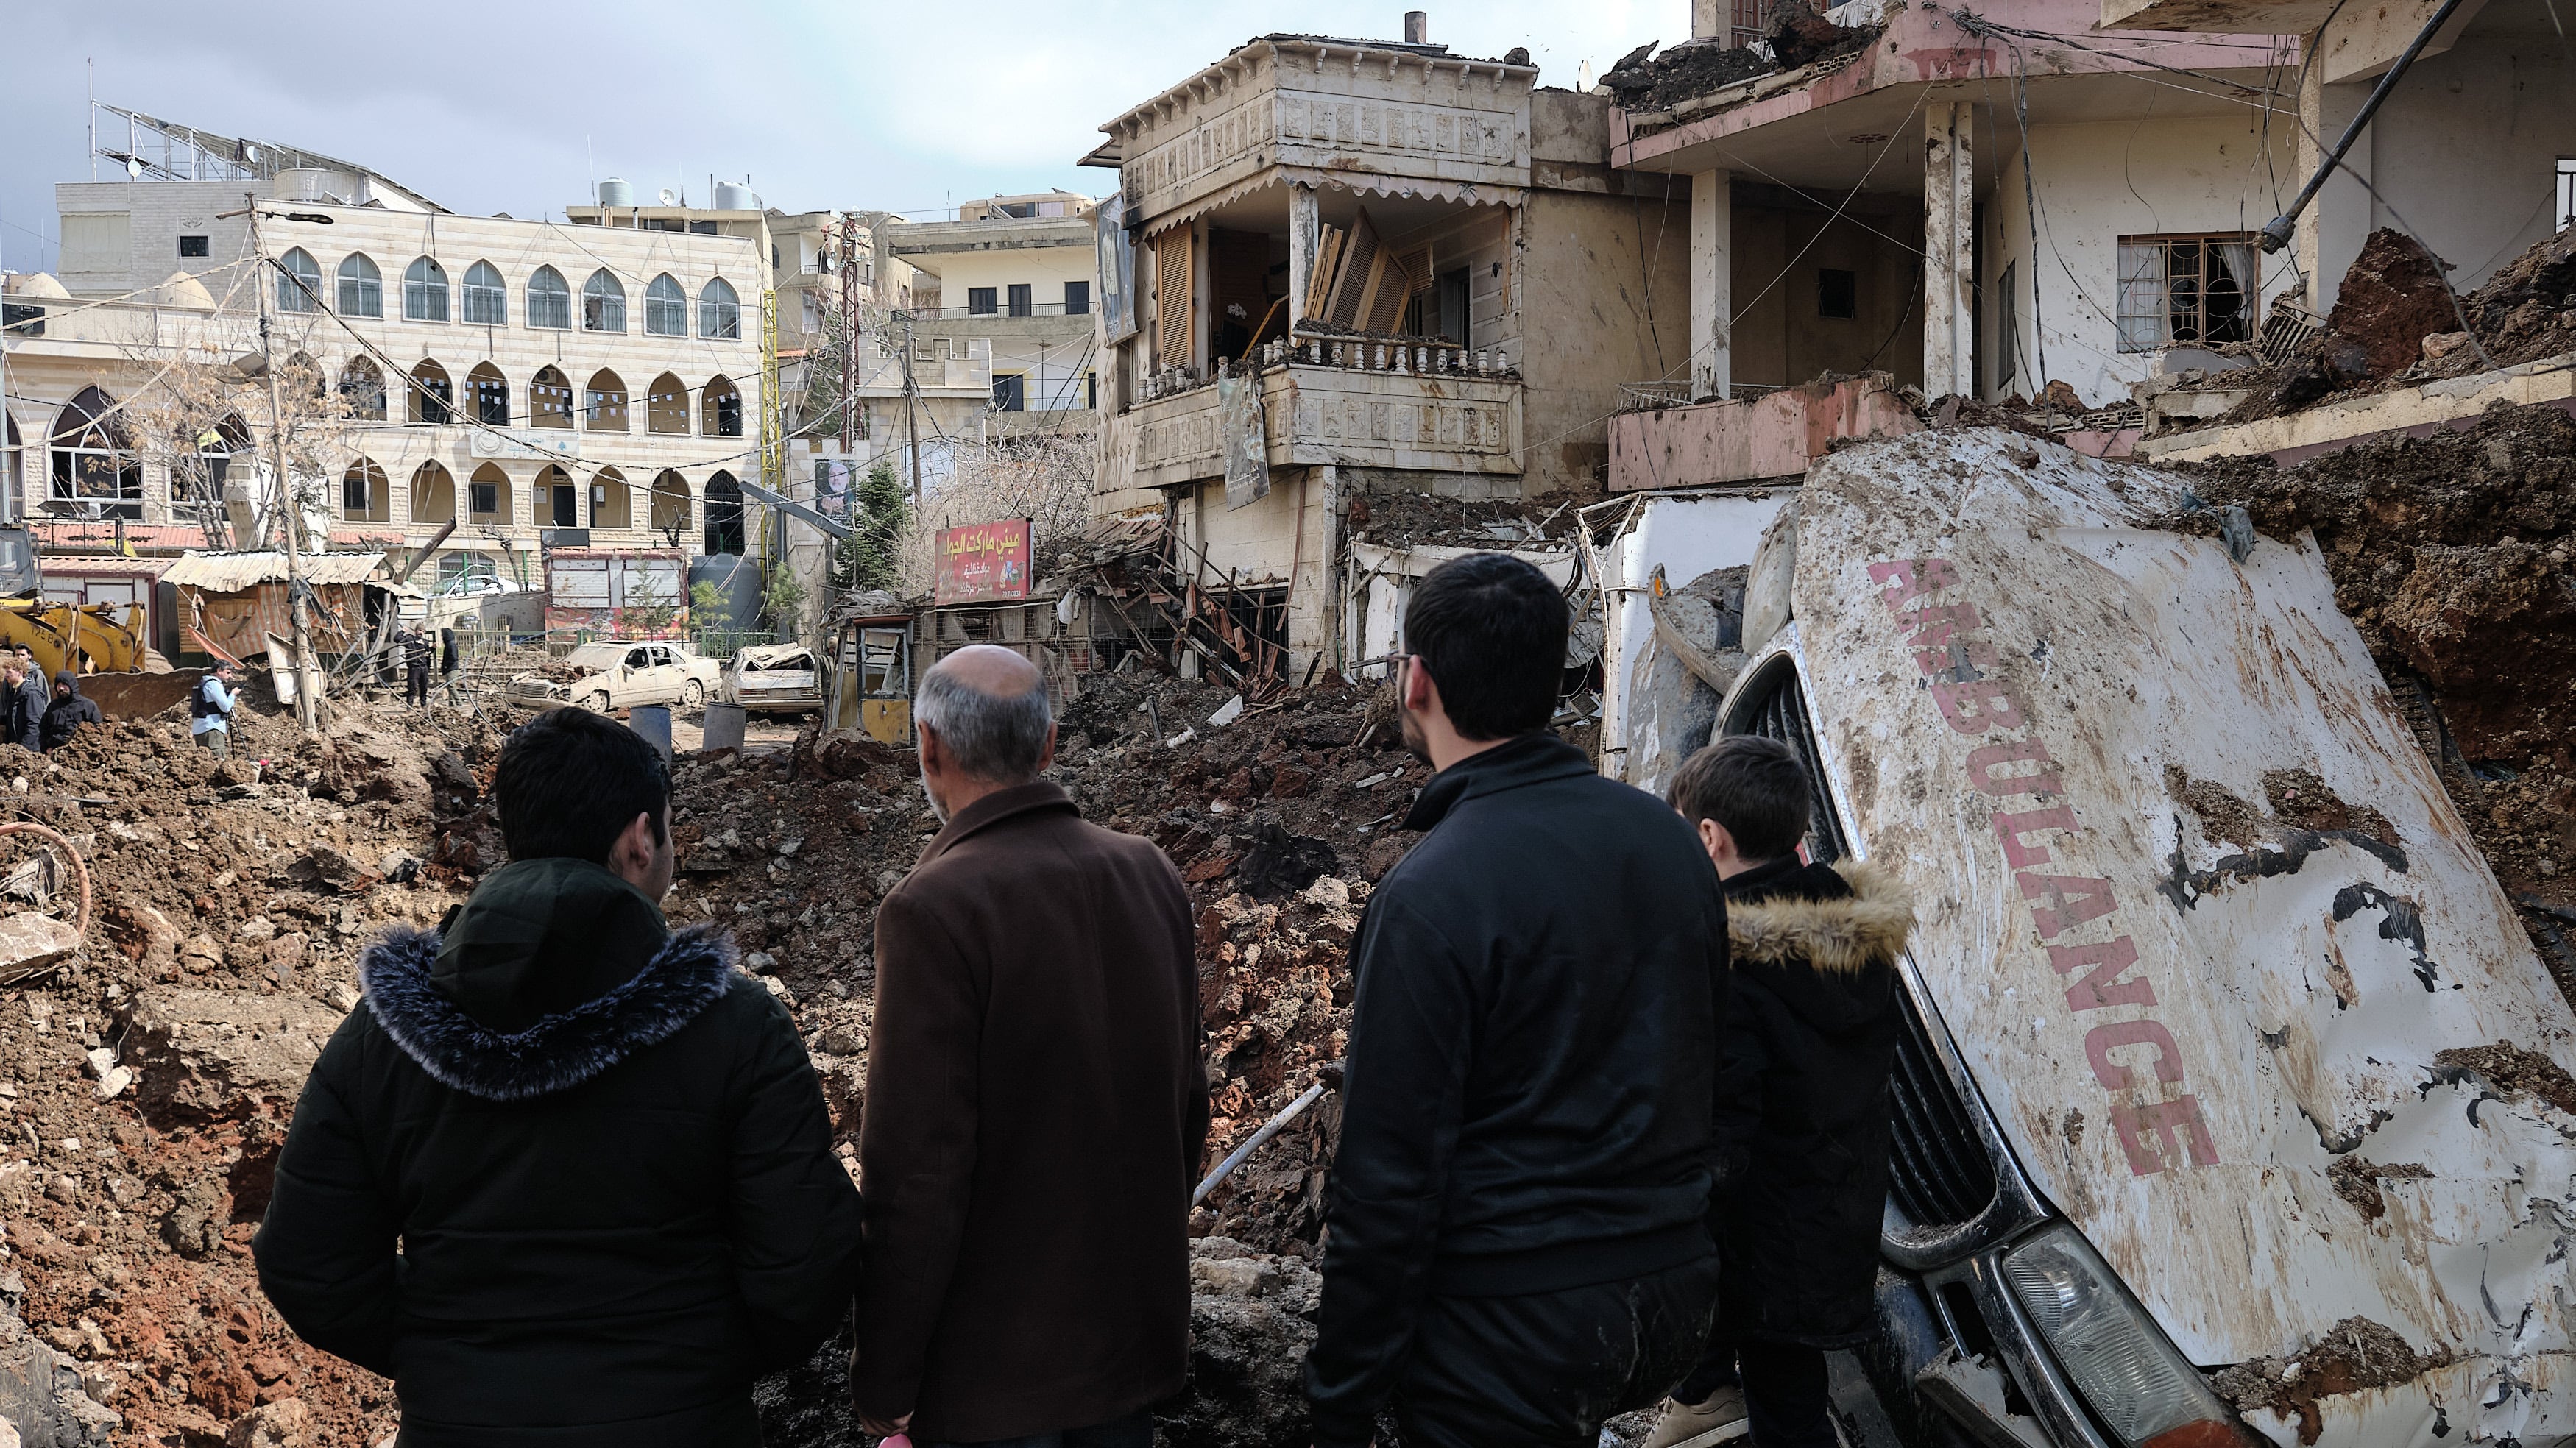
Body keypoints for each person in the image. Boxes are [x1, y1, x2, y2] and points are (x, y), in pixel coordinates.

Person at [255, 706, 862, 1447]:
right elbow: (805, 1260)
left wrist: (448, 1355)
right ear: (640, 839)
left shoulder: (381, 1036)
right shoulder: (735, 1025)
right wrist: (700, 1359)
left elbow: (306, 1264)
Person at [1304, 554, 1733, 1448]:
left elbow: (1387, 1182)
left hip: (1510, 1325)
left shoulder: (1430, 894)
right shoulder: (1667, 842)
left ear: (1415, 683)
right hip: (1674, 1293)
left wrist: (1340, 1401)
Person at [852, 644, 1203, 1448]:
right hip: (1125, 1361)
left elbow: (917, 1176)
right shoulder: (1149, 873)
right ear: (1049, 746)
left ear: (928, 748)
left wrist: (886, 1376)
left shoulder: (933, 907)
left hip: (992, 1387)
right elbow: (1184, 1106)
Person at [1641, 737, 1914, 1448]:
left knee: (1782, 1400)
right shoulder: (1853, 937)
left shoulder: (1733, 966)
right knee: (1789, 1381)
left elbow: (1722, 1130)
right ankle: (1708, 1396)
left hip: (1758, 1234)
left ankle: (1702, 1395)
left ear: (1709, 838)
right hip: (1832, 1211)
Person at [38, 671, 102, 752]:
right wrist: (46, 749)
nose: (61, 688)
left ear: (71, 685)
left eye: (64, 685)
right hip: (54, 752)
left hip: (79, 753)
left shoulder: (87, 705)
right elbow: (43, 729)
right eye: (59, 685)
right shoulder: (53, 706)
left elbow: (97, 729)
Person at [191, 661, 240, 759]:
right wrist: (233, 694)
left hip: (200, 728)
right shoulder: (214, 684)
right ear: (219, 671)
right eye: (228, 672)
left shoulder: (203, 683)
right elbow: (225, 707)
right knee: (217, 759)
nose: (230, 676)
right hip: (212, 728)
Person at [397, 622, 433, 709]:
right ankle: (409, 707)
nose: (421, 633)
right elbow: (397, 639)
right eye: (420, 630)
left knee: (424, 687)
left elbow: (428, 653)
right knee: (412, 688)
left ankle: (423, 705)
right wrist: (402, 632)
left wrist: (433, 649)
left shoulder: (425, 642)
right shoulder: (409, 639)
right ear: (416, 631)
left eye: (423, 631)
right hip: (414, 667)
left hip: (423, 667)